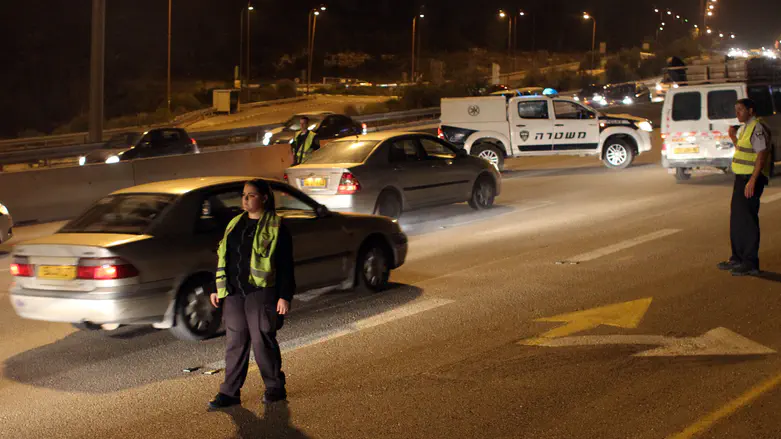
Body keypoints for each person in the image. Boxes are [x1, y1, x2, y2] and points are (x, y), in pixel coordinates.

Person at [208, 179, 295, 409]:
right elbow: (223, 257)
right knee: (235, 343)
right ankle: (229, 392)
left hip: (261, 292)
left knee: (261, 341)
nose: (245, 199)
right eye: (244, 195)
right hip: (234, 293)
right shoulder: (235, 223)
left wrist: (284, 295)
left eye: (251, 195)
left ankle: (275, 387)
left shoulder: (276, 226)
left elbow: (286, 264)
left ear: (264, 198)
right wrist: (216, 288)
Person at [717, 98, 772, 276]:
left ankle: (750, 262)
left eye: (740, 109)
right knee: (737, 219)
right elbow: (743, 151)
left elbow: (761, 155)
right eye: (736, 110)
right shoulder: (745, 128)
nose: (737, 113)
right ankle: (737, 258)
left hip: (750, 179)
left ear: (750, 110)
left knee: (747, 220)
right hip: (741, 178)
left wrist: (753, 180)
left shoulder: (757, 128)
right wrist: (733, 138)